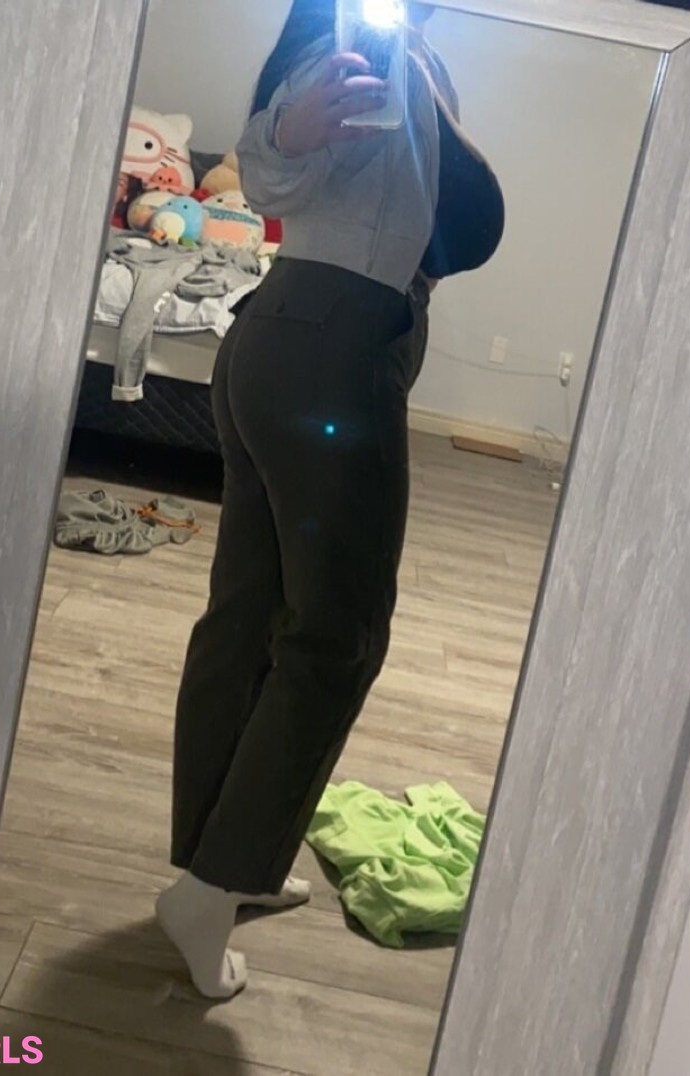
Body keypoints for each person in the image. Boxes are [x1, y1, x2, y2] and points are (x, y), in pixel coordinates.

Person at [156, 0, 494, 999]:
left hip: (288, 338)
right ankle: (216, 882)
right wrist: (288, 131)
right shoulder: (339, 44)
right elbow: (271, 170)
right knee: (335, 638)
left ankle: (220, 864)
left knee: (249, 615)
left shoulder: (406, 52)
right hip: (329, 351)